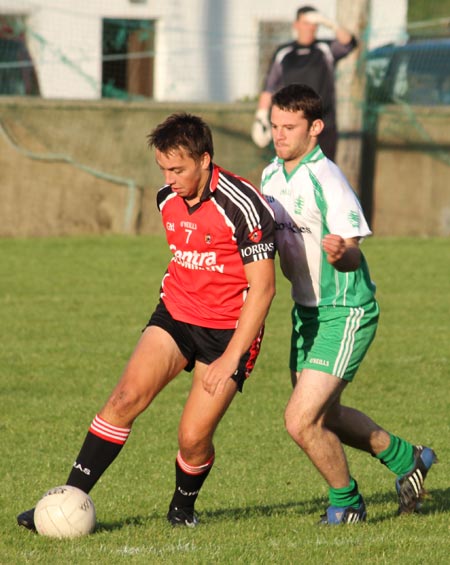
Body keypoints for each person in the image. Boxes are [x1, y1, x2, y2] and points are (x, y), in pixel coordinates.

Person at [18, 112, 276, 530]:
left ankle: (182, 509)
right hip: (175, 314)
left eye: (178, 169)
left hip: (227, 332)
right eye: (163, 169)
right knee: (123, 399)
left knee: (192, 438)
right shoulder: (166, 200)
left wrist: (232, 357)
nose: (169, 179)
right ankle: (66, 500)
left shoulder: (243, 205)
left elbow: (263, 289)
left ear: (205, 159)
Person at [260, 83, 437, 525]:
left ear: (315, 127)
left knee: (300, 419)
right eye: (275, 126)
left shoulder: (328, 180)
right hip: (307, 313)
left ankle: (347, 503)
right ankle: (407, 458)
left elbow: (353, 250)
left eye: (289, 127)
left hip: (346, 311)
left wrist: (342, 253)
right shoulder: (270, 176)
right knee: (327, 415)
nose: (279, 135)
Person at [252, 5, 357, 160]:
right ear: (296, 24)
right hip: (291, 126)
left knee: (321, 174)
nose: (310, 27)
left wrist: (329, 23)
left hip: (323, 124)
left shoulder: (325, 49)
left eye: (314, 23)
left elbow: (349, 43)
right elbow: (269, 86)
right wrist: (260, 116)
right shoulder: (284, 52)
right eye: (306, 22)